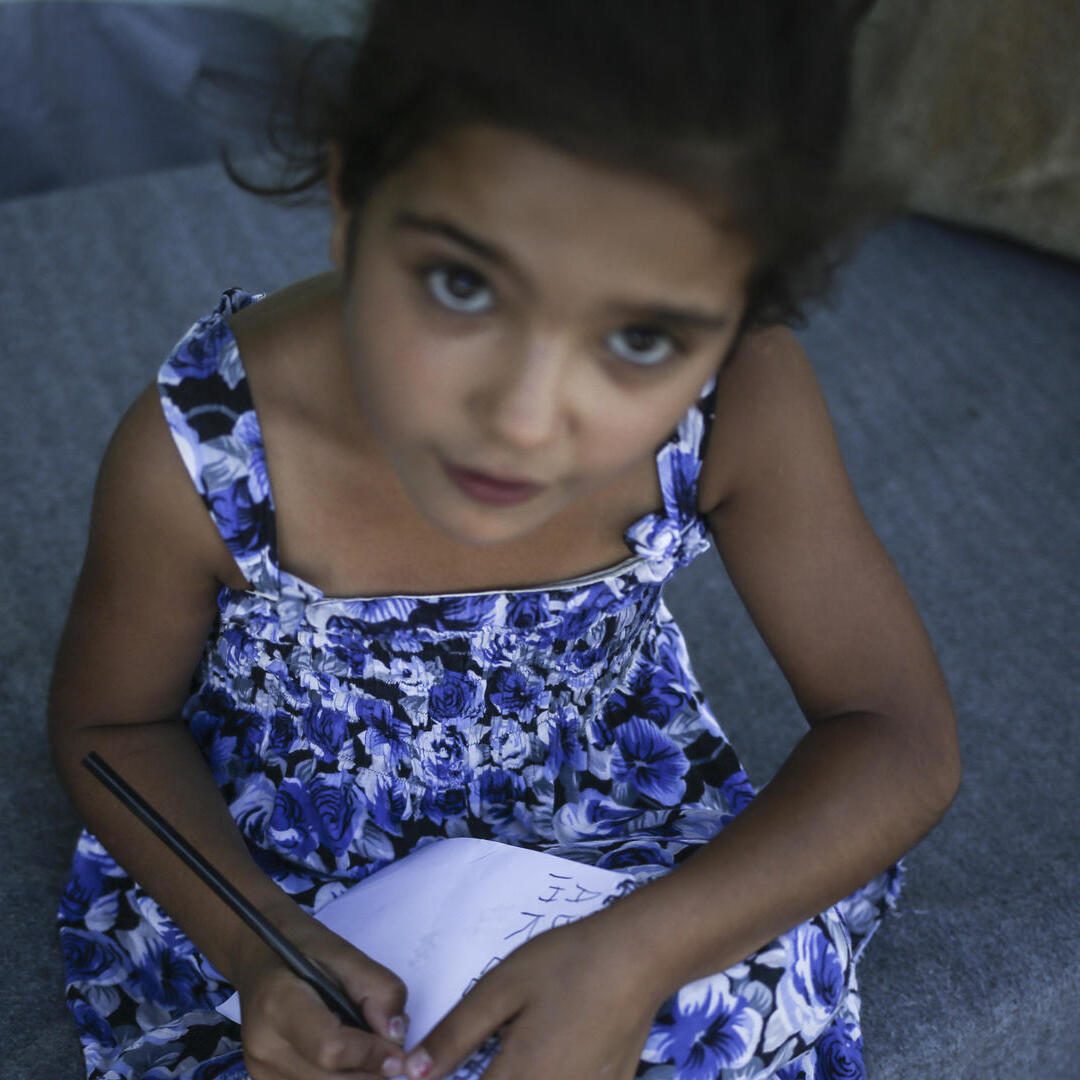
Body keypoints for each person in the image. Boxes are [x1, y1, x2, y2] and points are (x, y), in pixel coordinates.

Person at [49, 3, 962, 1078]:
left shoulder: (740, 401)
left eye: (640, 338)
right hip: (285, 875)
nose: (525, 419)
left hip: (615, 834)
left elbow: (894, 732)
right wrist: (255, 945)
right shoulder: (209, 444)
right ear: (352, 195)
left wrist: (634, 956)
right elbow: (111, 723)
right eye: (462, 286)